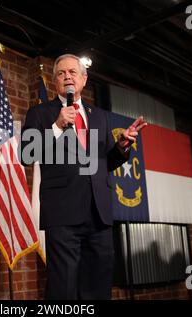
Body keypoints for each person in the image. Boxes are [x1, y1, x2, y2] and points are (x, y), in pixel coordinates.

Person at [20, 54, 147, 299]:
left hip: (98, 212)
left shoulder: (98, 115)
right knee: (63, 286)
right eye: (61, 73)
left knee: (98, 283)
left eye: (72, 72)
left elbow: (106, 162)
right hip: (63, 211)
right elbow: (26, 154)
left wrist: (122, 147)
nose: (67, 76)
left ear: (84, 79)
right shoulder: (40, 113)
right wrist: (56, 126)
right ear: (55, 81)